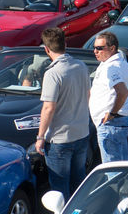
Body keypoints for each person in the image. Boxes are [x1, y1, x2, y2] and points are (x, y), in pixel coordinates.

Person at [36, 27, 91, 198]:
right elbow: (88, 95)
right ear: (65, 44)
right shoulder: (81, 66)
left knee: (60, 188)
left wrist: (40, 137)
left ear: (46, 49)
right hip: (82, 134)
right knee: (78, 182)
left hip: (60, 140)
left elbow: (48, 107)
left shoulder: (53, 73)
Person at [89, 31, 128, 163]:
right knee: (121, 165)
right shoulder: (119, 60)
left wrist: (112, 113)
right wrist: (126, 101)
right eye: (94, 48)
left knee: (112, 169)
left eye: (99, 48)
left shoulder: (111, 67)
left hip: (111, 124)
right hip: (118, 122)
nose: (95, 51)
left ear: (112, 48)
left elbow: (122, 92)